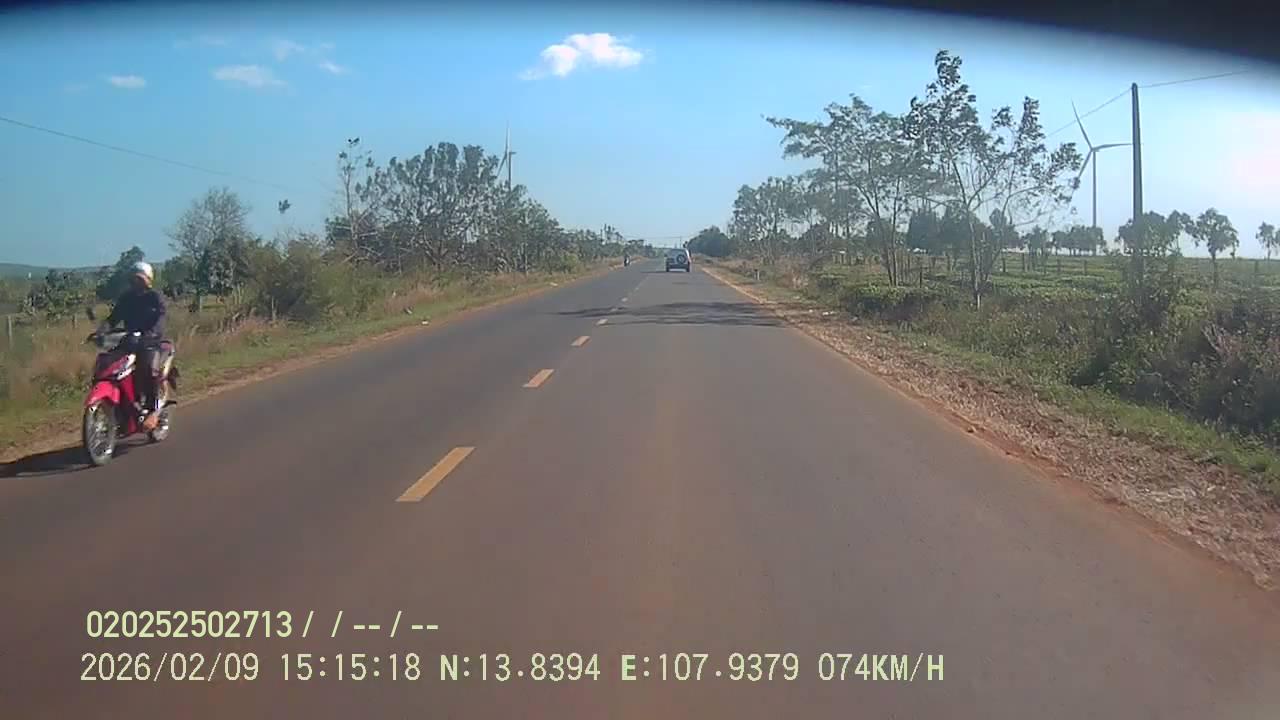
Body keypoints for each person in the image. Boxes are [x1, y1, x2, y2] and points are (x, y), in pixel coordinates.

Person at [102, 261, 167, 430]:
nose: (137, 282)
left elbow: (161, 318)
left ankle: (152, 411)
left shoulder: (155, 297)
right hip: (129, 340)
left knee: (148, 369)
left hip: (150, 342)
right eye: (134, 279)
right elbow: (113, 318)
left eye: (140, 279)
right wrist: (101, 331)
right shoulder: (126, 298)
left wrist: (151, 333)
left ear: (148, 280)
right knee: (111, 365)